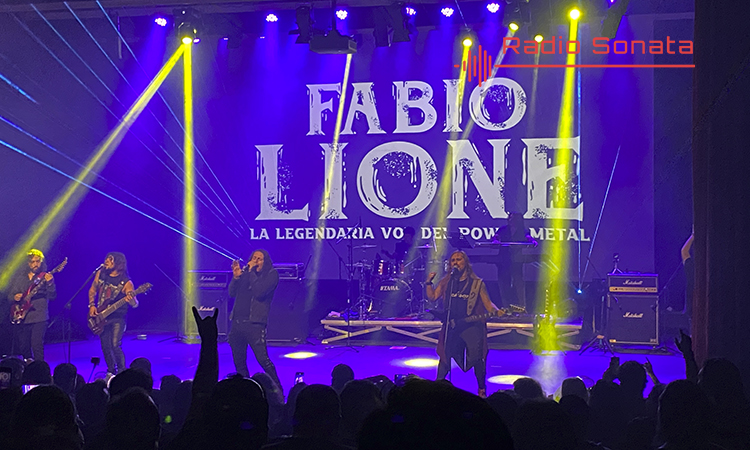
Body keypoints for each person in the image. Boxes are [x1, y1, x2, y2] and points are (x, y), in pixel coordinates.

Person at [425, 250, 501, 398]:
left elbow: (488, 303)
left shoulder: (477, 283)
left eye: (459, 259)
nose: (455, 262)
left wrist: (496, 311)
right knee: (445, 357)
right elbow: (433, 297)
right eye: (453, 260)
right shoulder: (447, 282)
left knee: (477, 358)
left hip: (471, 326)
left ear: (465, 262)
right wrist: (428, 283)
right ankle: (437, 387)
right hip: (452, 325)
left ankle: (481, 390)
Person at [229, 249, 282, 392]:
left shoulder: (271, 275)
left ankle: (278, 390)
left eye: (259, 259)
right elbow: (231, 293)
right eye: (254, 258)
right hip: (237, 323)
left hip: (254, 324)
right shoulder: (245, 274)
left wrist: (251, 272)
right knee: (239, 362)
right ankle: (245, 391)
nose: (256, 261)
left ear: (265, 262)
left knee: (263, 360)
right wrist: (236, 278)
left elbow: (259, 292)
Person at [88, 252, 139, 376]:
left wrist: (131, 299)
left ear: (118, 263)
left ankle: (122, 371)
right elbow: (93, 289)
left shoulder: (126, 282)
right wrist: (92, 305)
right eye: (106, 258)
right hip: (101, 316)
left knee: (115, 345)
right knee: (105, 347)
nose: (106, 261)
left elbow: (135, 304)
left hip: (117, 318)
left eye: (110, 259)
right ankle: (111, 370)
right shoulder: (101, 274)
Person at [8, 249, 57, 361]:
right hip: (22, 317)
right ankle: (27, 366)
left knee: (37, 345)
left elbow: (52, 296)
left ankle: (39, 368)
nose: (35, 264)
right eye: (32, 262)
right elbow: (10, 296)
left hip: (39, 316)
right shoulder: (20, 278)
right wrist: (15, 297)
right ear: (28, 263)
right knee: (24, 346)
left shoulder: (44, 277)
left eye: (37, 261)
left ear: (41, 262)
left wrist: (50, 283)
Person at [492, 213, 536, 312]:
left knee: (519, 284)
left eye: (514, 218)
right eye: (510, 218)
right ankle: (505, 308)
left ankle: (522, 307)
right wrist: (495, 241)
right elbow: (495, 237)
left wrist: (533, 241)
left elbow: (528, 237)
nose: (511, 220)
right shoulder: (503, 229)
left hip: (516, 261)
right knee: (504, 284)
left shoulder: (523, 230)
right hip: (503, 261)